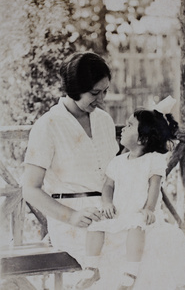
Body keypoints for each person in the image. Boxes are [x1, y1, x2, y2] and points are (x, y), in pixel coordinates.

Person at [76, 96, 185, 290]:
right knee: (96, 224)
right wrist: (106, 203)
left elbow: (155, 186)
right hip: (121, 212)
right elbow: (108, 186)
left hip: (140, 213)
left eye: (130, 125)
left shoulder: (153, 160)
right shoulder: (118, 161)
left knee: (137, 225)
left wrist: (148, 209)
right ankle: (91, 267)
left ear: (142, 138)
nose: (123, 128)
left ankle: (130, 271)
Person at [23, 52, 119, 268]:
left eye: (105, 91)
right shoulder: (49, 124)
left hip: (109, 213)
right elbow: (30, 188)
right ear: (75, 89)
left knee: (151, 245)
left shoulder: (104, 120)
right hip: (73, 222)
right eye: (95, 93)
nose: (102, 100)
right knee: (113, 263)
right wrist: (72, 216)